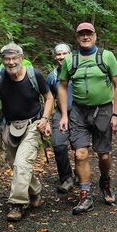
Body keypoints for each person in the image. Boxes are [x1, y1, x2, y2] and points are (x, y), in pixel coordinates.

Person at [0, 43, 54, 222]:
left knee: (21, 163)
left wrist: (45, 119)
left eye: (14, 58)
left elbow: (49, 98)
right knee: (15, 164)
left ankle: (17, 204)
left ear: (21, 58)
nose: (10, 62)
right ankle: (35, 192)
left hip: (32, 125)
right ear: (3, 60)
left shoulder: (35, 75)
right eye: (7, 59)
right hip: (8, 125)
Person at [58, 22, 117, 215]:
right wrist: (63, 114)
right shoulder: (71, 60)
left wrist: (116, 114)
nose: (85, 37)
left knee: (103, 154)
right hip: (78, 111)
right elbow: (62, 86)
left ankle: (105, 180)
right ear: (77, 38)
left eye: (89, 34)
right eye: (82, 35)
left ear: (95, 36)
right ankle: (85, 194)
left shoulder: (106, 56)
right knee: (80, 154)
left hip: (103, 110)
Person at [46, 43, 75, 193]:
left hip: (79, 113)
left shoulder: (78, 72)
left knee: (79, 148)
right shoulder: (52, 77)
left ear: (71, 54)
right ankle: (66, 178)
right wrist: (46, 120)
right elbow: (49, 98)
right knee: (58, 145)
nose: (61, 57)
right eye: (59, 54)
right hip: (60, 113)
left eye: (65, 53)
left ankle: (82, 177)